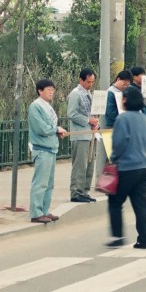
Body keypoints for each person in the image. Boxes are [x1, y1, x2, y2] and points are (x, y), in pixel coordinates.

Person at [107, 86, 146, 249]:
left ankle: (118, 236)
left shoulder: (122, 119)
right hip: (142, 167)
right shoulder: (143, 118)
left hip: (126, 168)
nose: (122, 100)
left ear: (127, 100)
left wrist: (113, 159)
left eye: (123, 98)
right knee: (141, 205)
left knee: (115, 201)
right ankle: (144, 239)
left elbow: (119, 143)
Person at [28, 79, 68, 224]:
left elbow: (50, 126)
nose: (51, 92)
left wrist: (56, 131)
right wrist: (55, 130)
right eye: (48, 89)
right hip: (42, 149)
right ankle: (36, 212)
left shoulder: (48, 106)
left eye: (53, 89)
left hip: (51, 148)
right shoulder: (35, 106)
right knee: (40, 182)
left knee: (49, 183)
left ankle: (44, 210)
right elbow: (41, 128)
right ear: (40, 90)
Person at [67, 68, 99, 203]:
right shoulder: (75, 94)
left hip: (90, 133)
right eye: (88, 82)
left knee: (90, 164)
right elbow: (72, 114)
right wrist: (88, 120)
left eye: (92, 82)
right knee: (80, 165)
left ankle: (85, 190)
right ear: (81, 80)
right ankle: (76, 191)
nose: (90, 85)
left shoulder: (88, 93)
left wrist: (95, 122)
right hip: (80, 134)